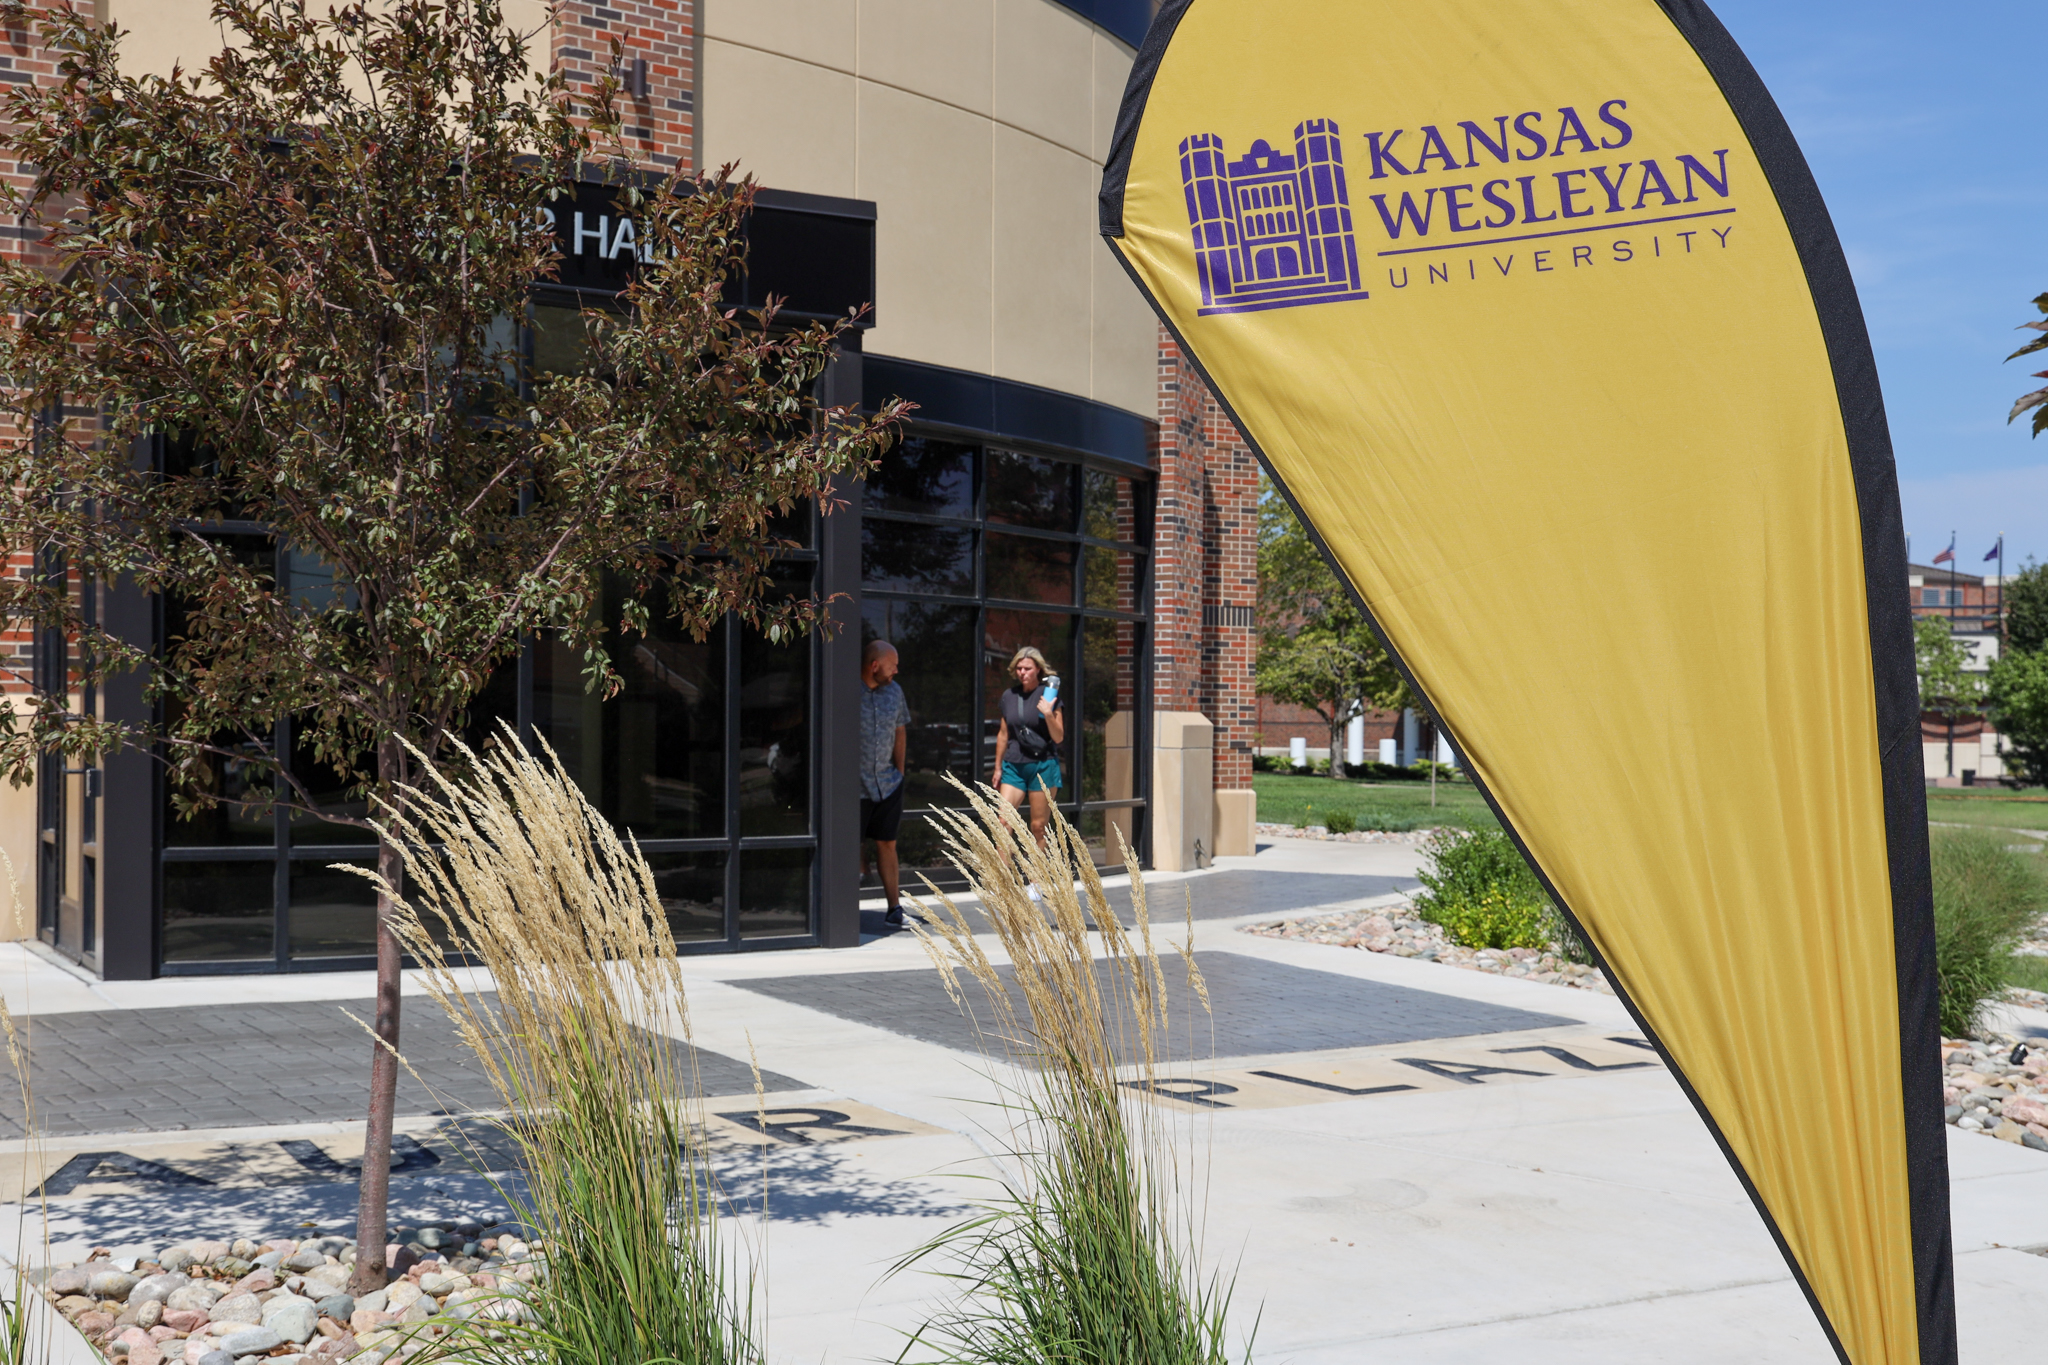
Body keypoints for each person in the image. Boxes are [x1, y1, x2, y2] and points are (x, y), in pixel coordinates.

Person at [990, 645, 1065, 867]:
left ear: (1038, 669)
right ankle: (1004, 879)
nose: (1022, 672)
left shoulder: (1049, 695)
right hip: (1014, 765)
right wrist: (997, 767)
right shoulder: (1009, 696)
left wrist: (1048, 714)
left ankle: (1036, 879)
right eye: (1019, 668)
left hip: (1043, 765)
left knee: (1038, 826)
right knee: (1003, 821)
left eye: (1027, 668)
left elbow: (1058, 737)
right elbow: (1003, 734)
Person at [859, 639, 911, 926]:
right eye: (893, 666)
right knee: (850, 843)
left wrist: (899, 771)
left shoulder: (895, 692)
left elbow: (900, 730)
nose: (896, 671)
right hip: (854, 786)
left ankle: (894, 909)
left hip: (888, 783)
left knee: (888, 843)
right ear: (875, 666)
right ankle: (842, 913)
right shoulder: (849, 691)